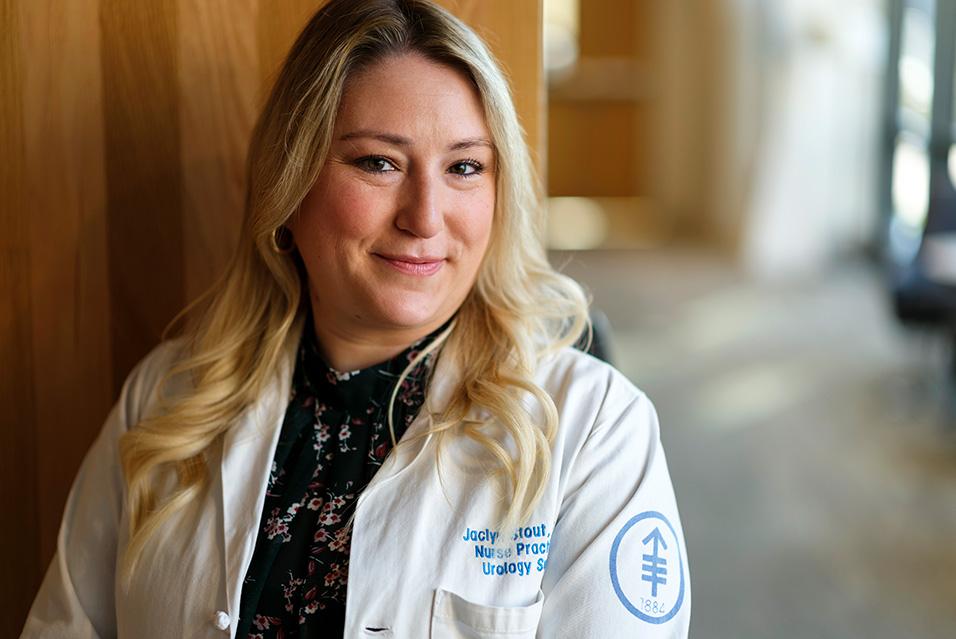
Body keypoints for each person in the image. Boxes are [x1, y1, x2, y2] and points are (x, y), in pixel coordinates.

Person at [19, 1, 690, 637]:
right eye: (379, 162)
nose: (425, 216)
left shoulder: (594, 426)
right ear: (292, 183)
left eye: (463, 166)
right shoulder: (164, 402)